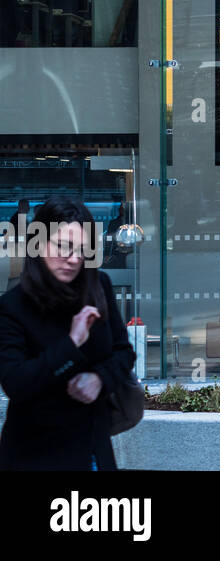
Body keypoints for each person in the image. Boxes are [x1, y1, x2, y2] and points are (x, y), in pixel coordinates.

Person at [0, 195, 135, 470]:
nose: (74, 260)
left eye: (82, 250)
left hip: (92, 448)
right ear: (38, 244)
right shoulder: (13, 306)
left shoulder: (98, 286)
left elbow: (123, 352)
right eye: (64, 247)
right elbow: (15, 383)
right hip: (35, 453)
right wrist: (71, 344)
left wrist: (99, 378)